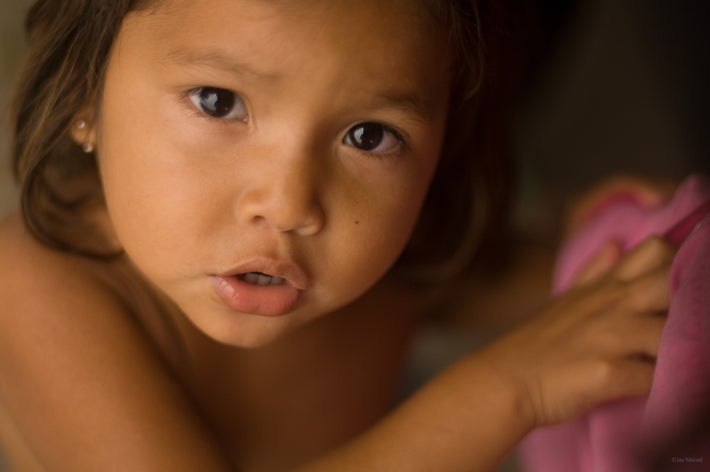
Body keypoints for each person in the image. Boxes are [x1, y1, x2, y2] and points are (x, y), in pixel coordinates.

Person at [0, 0, 674, 470]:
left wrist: (622, 247)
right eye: (218, 101)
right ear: (85, 92)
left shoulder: (393, 254)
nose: (290, 204)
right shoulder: (35, 288)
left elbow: (483, 285)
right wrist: (514, 386)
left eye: (369, 136)